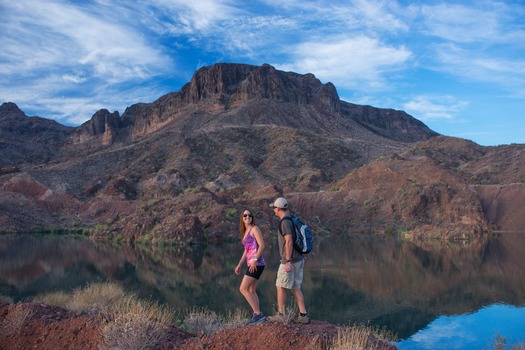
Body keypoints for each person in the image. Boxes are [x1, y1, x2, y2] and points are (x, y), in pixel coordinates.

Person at [269, 197, 310, 324]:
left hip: (290, 260)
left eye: (274, 207)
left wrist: (287, 260)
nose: (274, 210)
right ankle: (303, 315)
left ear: (278, 208)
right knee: (295, 287)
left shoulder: (285, 222)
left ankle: (281, 314)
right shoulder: (291, 219)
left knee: (280, 286)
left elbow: (289, 241)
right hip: (298, 259)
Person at [234, 208, 267, 324]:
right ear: (242, 218)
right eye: (245, 215)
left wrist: (254, 260)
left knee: (243, 288)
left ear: (252, 217)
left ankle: (258, 314)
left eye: (249, 215)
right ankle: (257, 314)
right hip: (252, 263)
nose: (247, 217)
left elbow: (262, 245)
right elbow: (246, 250)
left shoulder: (254, 229)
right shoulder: (246, 231)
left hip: (257, 264)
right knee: (251, 290)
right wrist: (239, 264)